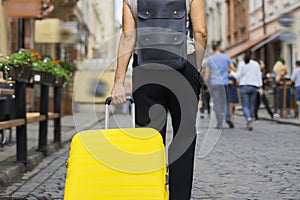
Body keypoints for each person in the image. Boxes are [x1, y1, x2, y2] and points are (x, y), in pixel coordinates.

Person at [111, 0, 207, 199]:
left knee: (148, 140)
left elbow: (128, 35)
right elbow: (201, 33)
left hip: (146, 69)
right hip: (184, 66)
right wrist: (195, 69)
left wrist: (118, 81)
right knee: (184, 137)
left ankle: (150, 194)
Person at [204, 42, 235, 129]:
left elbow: (207, 73)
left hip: (214, 83)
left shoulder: (210, 59)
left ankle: (219, 122)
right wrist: (227, 70)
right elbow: (232, 67)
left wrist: (205, 84)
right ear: (219, 47)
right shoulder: (225, 57)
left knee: (217, 103)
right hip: (224, 83)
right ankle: (228, 116)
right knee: (226, 101)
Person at [231, 50, 262, 131]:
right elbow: (259, 75)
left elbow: (238, 75)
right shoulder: (256, 64)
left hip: (244, 86)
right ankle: (250, 118)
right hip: (254, 86)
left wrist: (231, 72)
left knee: (245, 105)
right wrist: (260, 87)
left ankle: (248, 118)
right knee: (252, 105)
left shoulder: (241, 64)